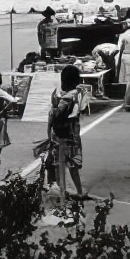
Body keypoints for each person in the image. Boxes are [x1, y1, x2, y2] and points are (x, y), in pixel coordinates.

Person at [47, 64, 85, 206]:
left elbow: (56, 114)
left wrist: (53, 105)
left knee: (59, 164)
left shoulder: (66, 98)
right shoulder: (80, 93)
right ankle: (79, 191)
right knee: (73, 164)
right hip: (74, 133)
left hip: (62, 135)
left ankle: (61, 192)